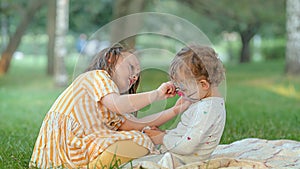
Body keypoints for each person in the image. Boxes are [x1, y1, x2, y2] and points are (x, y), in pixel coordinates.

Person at [29, 45, 191, 169]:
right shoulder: (98, 76)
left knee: (140, 135)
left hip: (76, 148)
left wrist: (175, 110)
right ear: (110, 59)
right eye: (131, 67)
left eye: (137, 74)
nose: (135, 76)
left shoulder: (110, 99)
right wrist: (156, 94)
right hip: (68, 144)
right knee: (141, 140)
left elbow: (135, 124)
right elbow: (119, 105)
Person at [137, 45, 226, 168]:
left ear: (203, 84)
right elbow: (187, 132)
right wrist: (165, 133)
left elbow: (188, 145)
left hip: (185, 159)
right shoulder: (205, 103)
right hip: (182, 153)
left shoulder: (207, 109)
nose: (181, 93)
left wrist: (162, 138)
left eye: (183, 88)